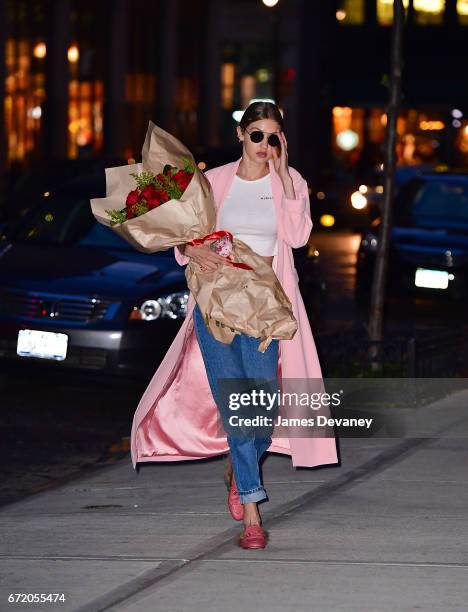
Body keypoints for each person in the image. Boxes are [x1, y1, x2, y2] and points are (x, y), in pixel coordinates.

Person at [130, 101, 339, 550]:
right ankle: (251, 509)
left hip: (267, 307)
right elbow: (182, 236)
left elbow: (299, 237)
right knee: (235, 401)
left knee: (261, 404)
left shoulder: (291, 181)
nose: (266, 145)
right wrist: (191, 248)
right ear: (241, 135)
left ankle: (238, 467)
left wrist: (283, 180)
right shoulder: (214, 181)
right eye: (258, 135)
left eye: (275, 136)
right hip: (218, 306)